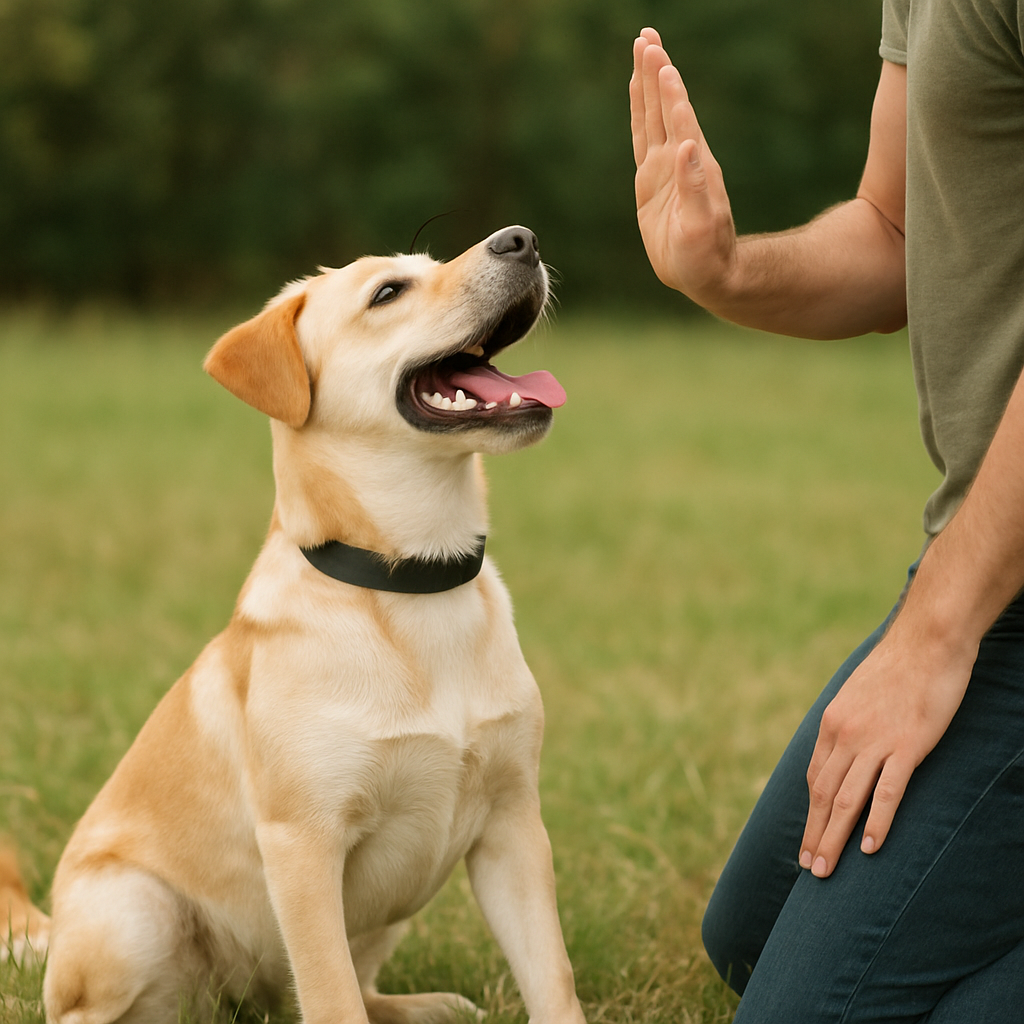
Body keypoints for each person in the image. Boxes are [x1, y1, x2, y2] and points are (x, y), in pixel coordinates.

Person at [630, 1, 1024, 1019]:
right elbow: (894, 228)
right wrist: (725, 272)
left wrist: (934, 633)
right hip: (992, 553)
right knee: (746, 942)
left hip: (993, 594)